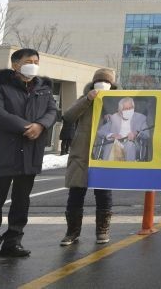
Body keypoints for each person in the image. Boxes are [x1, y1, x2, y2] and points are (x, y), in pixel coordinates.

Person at [0, 48, 57, 264]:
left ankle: (13, 241)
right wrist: (25, 127)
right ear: (15, 64)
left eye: (36, 61)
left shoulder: (44, 88)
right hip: (3, 152)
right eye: (28, 61)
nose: (33, 64)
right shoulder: (0, 86)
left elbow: (52, 111)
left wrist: (41, 125)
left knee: (21, 201)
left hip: (30, 152)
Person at [60, 68, 118, 246]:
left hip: (106, 154)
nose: (103, 84)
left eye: (107, 82)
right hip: (82, 153)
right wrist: (88, 99)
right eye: (99, 81)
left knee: (103, 194)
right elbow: (68, 116)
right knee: (76, 193)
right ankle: (72, 232)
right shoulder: (84, 100)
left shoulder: (117, 102)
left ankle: (102, 230)